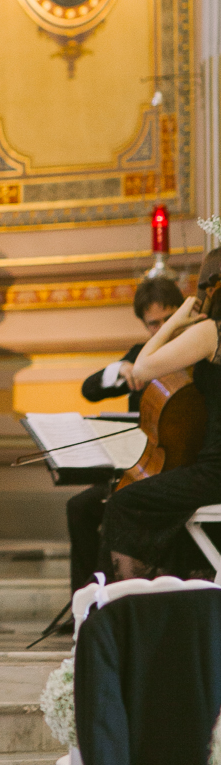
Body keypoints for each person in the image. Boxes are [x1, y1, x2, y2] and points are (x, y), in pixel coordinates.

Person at [100, 247, 221, 579]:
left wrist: (177, 322)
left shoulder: (212, 332)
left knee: (123, 504)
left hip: (216, 472)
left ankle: (132, 607)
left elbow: (142, 367)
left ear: (210, 288)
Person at [66, 276, 184, 595]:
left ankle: (115, 596)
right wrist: (119, 369)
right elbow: (89, 390)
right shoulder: (139, 354)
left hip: (175, 470)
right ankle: (85, 600)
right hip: (140, 467)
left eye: (168, 319)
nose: (160, 330)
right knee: (79, 507)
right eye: (152, 324)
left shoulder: (194, 351)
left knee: (119, 504)